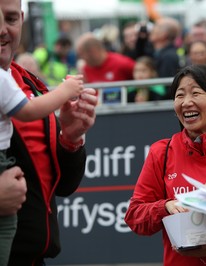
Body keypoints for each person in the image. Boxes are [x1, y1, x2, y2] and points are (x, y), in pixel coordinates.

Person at [0, 0, 98, 264]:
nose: (2, 30)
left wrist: (70, 138)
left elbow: (63, 185)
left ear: (21, 19)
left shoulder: (31, 83)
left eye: (10, 19)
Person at [125, 65, 206, 266]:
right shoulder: (162, 152)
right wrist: (166, 207)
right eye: (179, 95)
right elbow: (134, 217)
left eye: (196, 93)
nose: (186, 102)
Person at [76, 32, 135, 104]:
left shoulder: (122, 63)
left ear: (92, 51)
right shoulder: (85, 69)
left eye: (81, 54)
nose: (81, 59)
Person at [149, 16, 182, 99]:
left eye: (156, 26)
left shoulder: (168, 57)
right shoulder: (162, 54)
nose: (152, 29)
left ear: (164, 34)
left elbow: (166, 88)